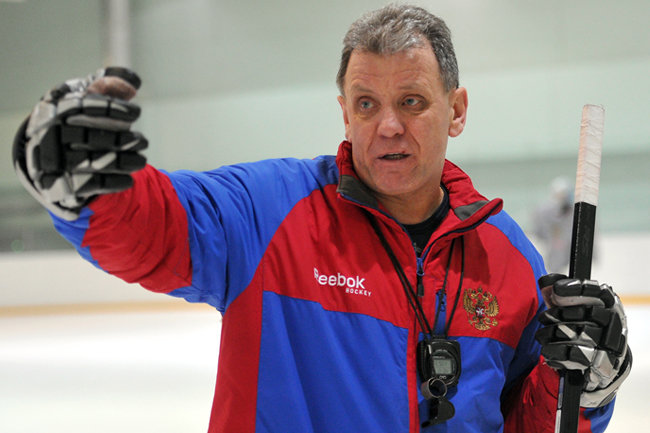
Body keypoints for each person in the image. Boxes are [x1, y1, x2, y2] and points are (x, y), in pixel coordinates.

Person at [11, 4, 631, 432]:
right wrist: (87, 188)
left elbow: (535, 420)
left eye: (411, 101)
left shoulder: (508, 257)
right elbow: (162, 225)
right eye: (367, 104)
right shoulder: (270, 212)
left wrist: (587, 387)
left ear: (457, 109)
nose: (388, 126)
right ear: (344, 112)